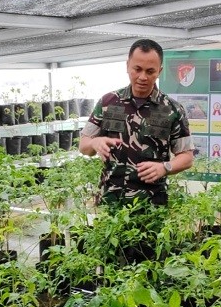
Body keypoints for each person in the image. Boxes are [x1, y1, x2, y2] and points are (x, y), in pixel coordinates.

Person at [79, 39, 194, 208]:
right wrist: (95, 142)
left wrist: (165, 167)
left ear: (159, 71)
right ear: (127, 66)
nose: (142, 77)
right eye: (137, 69)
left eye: (150, 71)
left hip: (152, 206)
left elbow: (187, 157)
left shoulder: (172, 110)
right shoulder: (108, 102)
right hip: (110, 203)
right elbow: (84, 145)